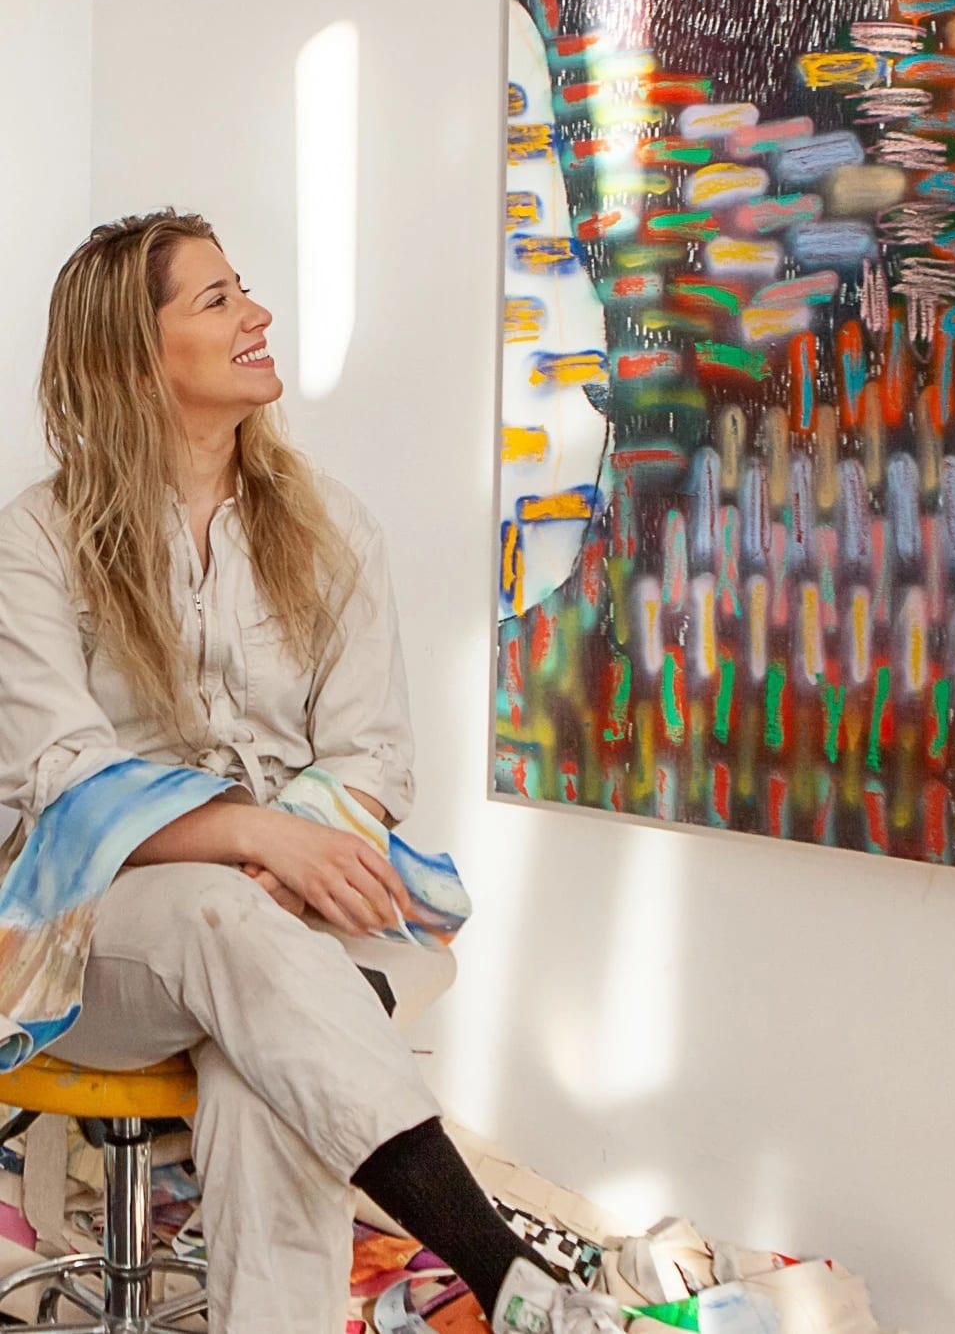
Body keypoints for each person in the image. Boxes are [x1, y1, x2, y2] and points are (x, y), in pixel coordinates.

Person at [0, 211, 620, 1334]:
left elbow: (371, 751)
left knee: (260, 1075)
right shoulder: (36, 539)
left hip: (292, 920)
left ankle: (510, 1300)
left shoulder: (331, 525)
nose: (257, 313)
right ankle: (501, 1263)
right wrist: (255, 840)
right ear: (136, 355)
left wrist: (284, 863)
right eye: (217, 298)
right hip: (90, 942)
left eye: (245, 288)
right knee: (212, 914)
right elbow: (64, 774)